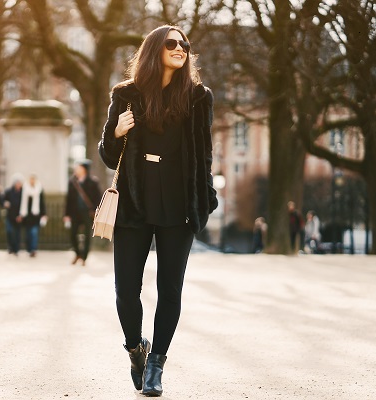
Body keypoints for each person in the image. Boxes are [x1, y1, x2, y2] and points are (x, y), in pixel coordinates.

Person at [98, 25, 218, 397]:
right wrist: (115, 132)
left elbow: (204, 152)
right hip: (134, 202)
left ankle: (156, 364)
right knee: (125, 291)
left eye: (185, 44)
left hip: (179, 205)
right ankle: (136, 349)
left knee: (170, 290)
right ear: (154, 49)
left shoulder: (198, 97)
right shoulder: (126, 94)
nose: (180, 48)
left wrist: (205, 196)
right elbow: (107, 156)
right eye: (172, 43)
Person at [64, 160, 102, 266]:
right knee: (72, 234)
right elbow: (68, 200)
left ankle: (84, 257)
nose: (76, 170)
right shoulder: (72, 182)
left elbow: (98, 198)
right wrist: (66, 214)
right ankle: (77, 254)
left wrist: (95, 210)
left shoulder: (93, 182)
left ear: (84, 169)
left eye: (79, 168)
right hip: (75, 213)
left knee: (87, 235)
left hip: (87, 212)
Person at [19, 174, 47, 257]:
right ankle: (29, 248)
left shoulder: (39, 189)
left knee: (34, 233)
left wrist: (44, 214)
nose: (32, 181)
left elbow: (42, 203)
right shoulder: (24, 189)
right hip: (27, 216)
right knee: (28, 234)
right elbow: (20, 202)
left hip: (35, 215)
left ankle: (33, 249)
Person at [3, 173, 24, 255]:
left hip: (19, 215)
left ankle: (16, 248)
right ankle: (10, 247)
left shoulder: (23, 192)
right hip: (10, 215)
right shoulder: (9, 191)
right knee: (9, 231)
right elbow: (3, 200)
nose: (18, 185)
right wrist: (5, 203)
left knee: (17, 233)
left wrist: (21, 215)